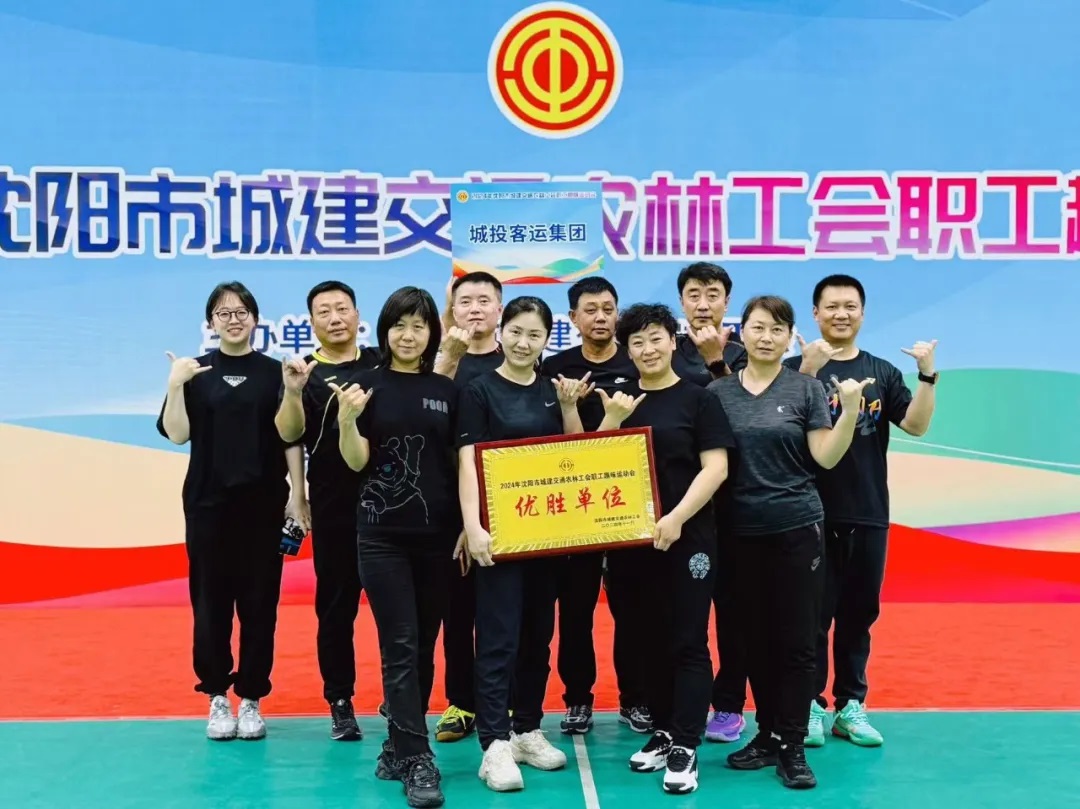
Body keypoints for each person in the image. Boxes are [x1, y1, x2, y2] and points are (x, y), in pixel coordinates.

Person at [708, 295, 870, 790]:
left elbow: (825, 456)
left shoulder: (805, 388)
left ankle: (794, 746)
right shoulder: (717, 393)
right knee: (752, 640)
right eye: (758, 327)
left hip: (797, 530)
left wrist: (850, 412)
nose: (766, 337)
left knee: (797, 641)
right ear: (742, 332)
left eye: (777, 329)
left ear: (789, 338)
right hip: (737, 534)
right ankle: (768, 734)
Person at [786, 274, 938, 748]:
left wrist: (927, 375)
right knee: (810, 616)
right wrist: (807, 371)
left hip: (867, 510)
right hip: (807, 513)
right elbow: (780, 424)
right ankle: (809, 705)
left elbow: (915, 425)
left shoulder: (882, 372)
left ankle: (851, 705)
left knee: (858, 615)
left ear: (863, 313)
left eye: (850, 306)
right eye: (831, 306)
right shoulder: (794, 369)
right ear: (815, 313)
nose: (841, 314)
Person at [594, 303, 735, 796]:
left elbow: (716, 468)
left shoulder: (699, 399)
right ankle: (664, 729)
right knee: (643, 640)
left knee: (687, 640)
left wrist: (676, 518)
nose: (648, 349)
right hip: (630, 545)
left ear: (673, 343)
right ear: (627, 350)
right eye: (637, 342)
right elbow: (591, 467)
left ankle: (686, 743)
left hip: (687, 540)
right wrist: (612, 419)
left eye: (656, 338)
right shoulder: (621, 400)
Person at [157, 281, 306, 741]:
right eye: (224, 313)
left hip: (263, 507)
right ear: (211, 322)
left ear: (255, 318)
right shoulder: (195, 372)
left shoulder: (274, 372)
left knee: (260, 607)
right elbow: (177, 434)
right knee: (211, 606)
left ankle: (252, 698)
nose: (233, 319)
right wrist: (175, 384)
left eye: (242, 311)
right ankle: (217, 696)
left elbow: (290, 435)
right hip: (208, 507)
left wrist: (297, 495)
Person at [456, 296, 591, 792]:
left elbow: (576, 454)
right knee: (498, 638)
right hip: (499, 536)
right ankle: (493, 744)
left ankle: (527, 730)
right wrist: (473, 526)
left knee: (537, 635)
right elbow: (467, 460)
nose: (522, 342)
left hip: (546, 536)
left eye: (534, 335)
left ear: (546, 340)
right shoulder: (478, 390)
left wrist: (571, 407)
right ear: (501, 331)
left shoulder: (553, 391)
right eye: (515, 331)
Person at [333, 286, 460, 809]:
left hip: (438, 537)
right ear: (384, 331)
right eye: (399, 325)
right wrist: (346, 419)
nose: (408, 335)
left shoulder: (447, 391)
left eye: (419, 325)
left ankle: (395, 746)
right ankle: (417, 757)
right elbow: (356, 461)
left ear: (432, 333)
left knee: (423, 644)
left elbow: (459, 463)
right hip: (381, 537)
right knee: (401, 643)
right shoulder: (363, 386)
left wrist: (467, 525)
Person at [274, 280, 380, 741]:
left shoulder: (383, 362)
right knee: (336, 609)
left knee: (399, 609)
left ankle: (401, 698)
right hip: (334, 505)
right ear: (311, 321)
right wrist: (298, 495)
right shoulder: (304, 371)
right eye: (324, 311)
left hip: (390, 503)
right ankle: (340, 700)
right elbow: (289, 435)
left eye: (342, 308)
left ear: (358, 315)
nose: (335, 318)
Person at [540, 277, 644, 736]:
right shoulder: (555, 368)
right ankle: (577, 699)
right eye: (590, 310)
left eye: (608, 308)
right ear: (573, 318)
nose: (600, 317)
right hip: (575, 510)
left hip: (628, 506)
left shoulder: (636, 361)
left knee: (632, 610)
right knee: (575, 613)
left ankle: (635, 698)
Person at [431, 271, 505, 744]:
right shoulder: (439, 364)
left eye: (484, 300)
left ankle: (505, 702)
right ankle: (460, 701)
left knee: (504, 614)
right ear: (451, 311)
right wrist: (464, 519)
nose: (474, 309)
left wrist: (486, 516)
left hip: (507, 511)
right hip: (446, 511)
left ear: (500, 309)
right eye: (465, 301)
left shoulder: (516, 361)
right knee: (456, 614)